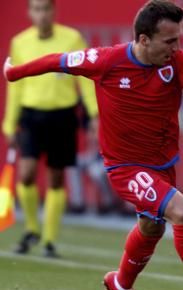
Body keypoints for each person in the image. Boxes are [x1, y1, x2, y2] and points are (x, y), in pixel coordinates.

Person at [4, 0, 183, 290]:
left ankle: (121, 283)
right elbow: (55, 61)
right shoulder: (107, 60)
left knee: (151, 227)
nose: (177, 47)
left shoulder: (177, 60)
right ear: (144, 39)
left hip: (161, 163)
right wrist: (13, 73)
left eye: (179, 38)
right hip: (125, 167)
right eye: (169, 40)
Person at [4, 0, 98, 257]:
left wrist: (93, 114)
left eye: (46, 8)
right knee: (26, 174)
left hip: (63, 116)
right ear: (29, 12)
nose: (41, 14)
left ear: (53, 11)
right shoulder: (20, 42)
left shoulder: (72, 39)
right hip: (32, 116)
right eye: (36, 8)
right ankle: (32, 228)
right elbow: (15, 85)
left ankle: (48, 239)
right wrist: (9, 122)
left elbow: (86, 78)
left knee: (56, 178)